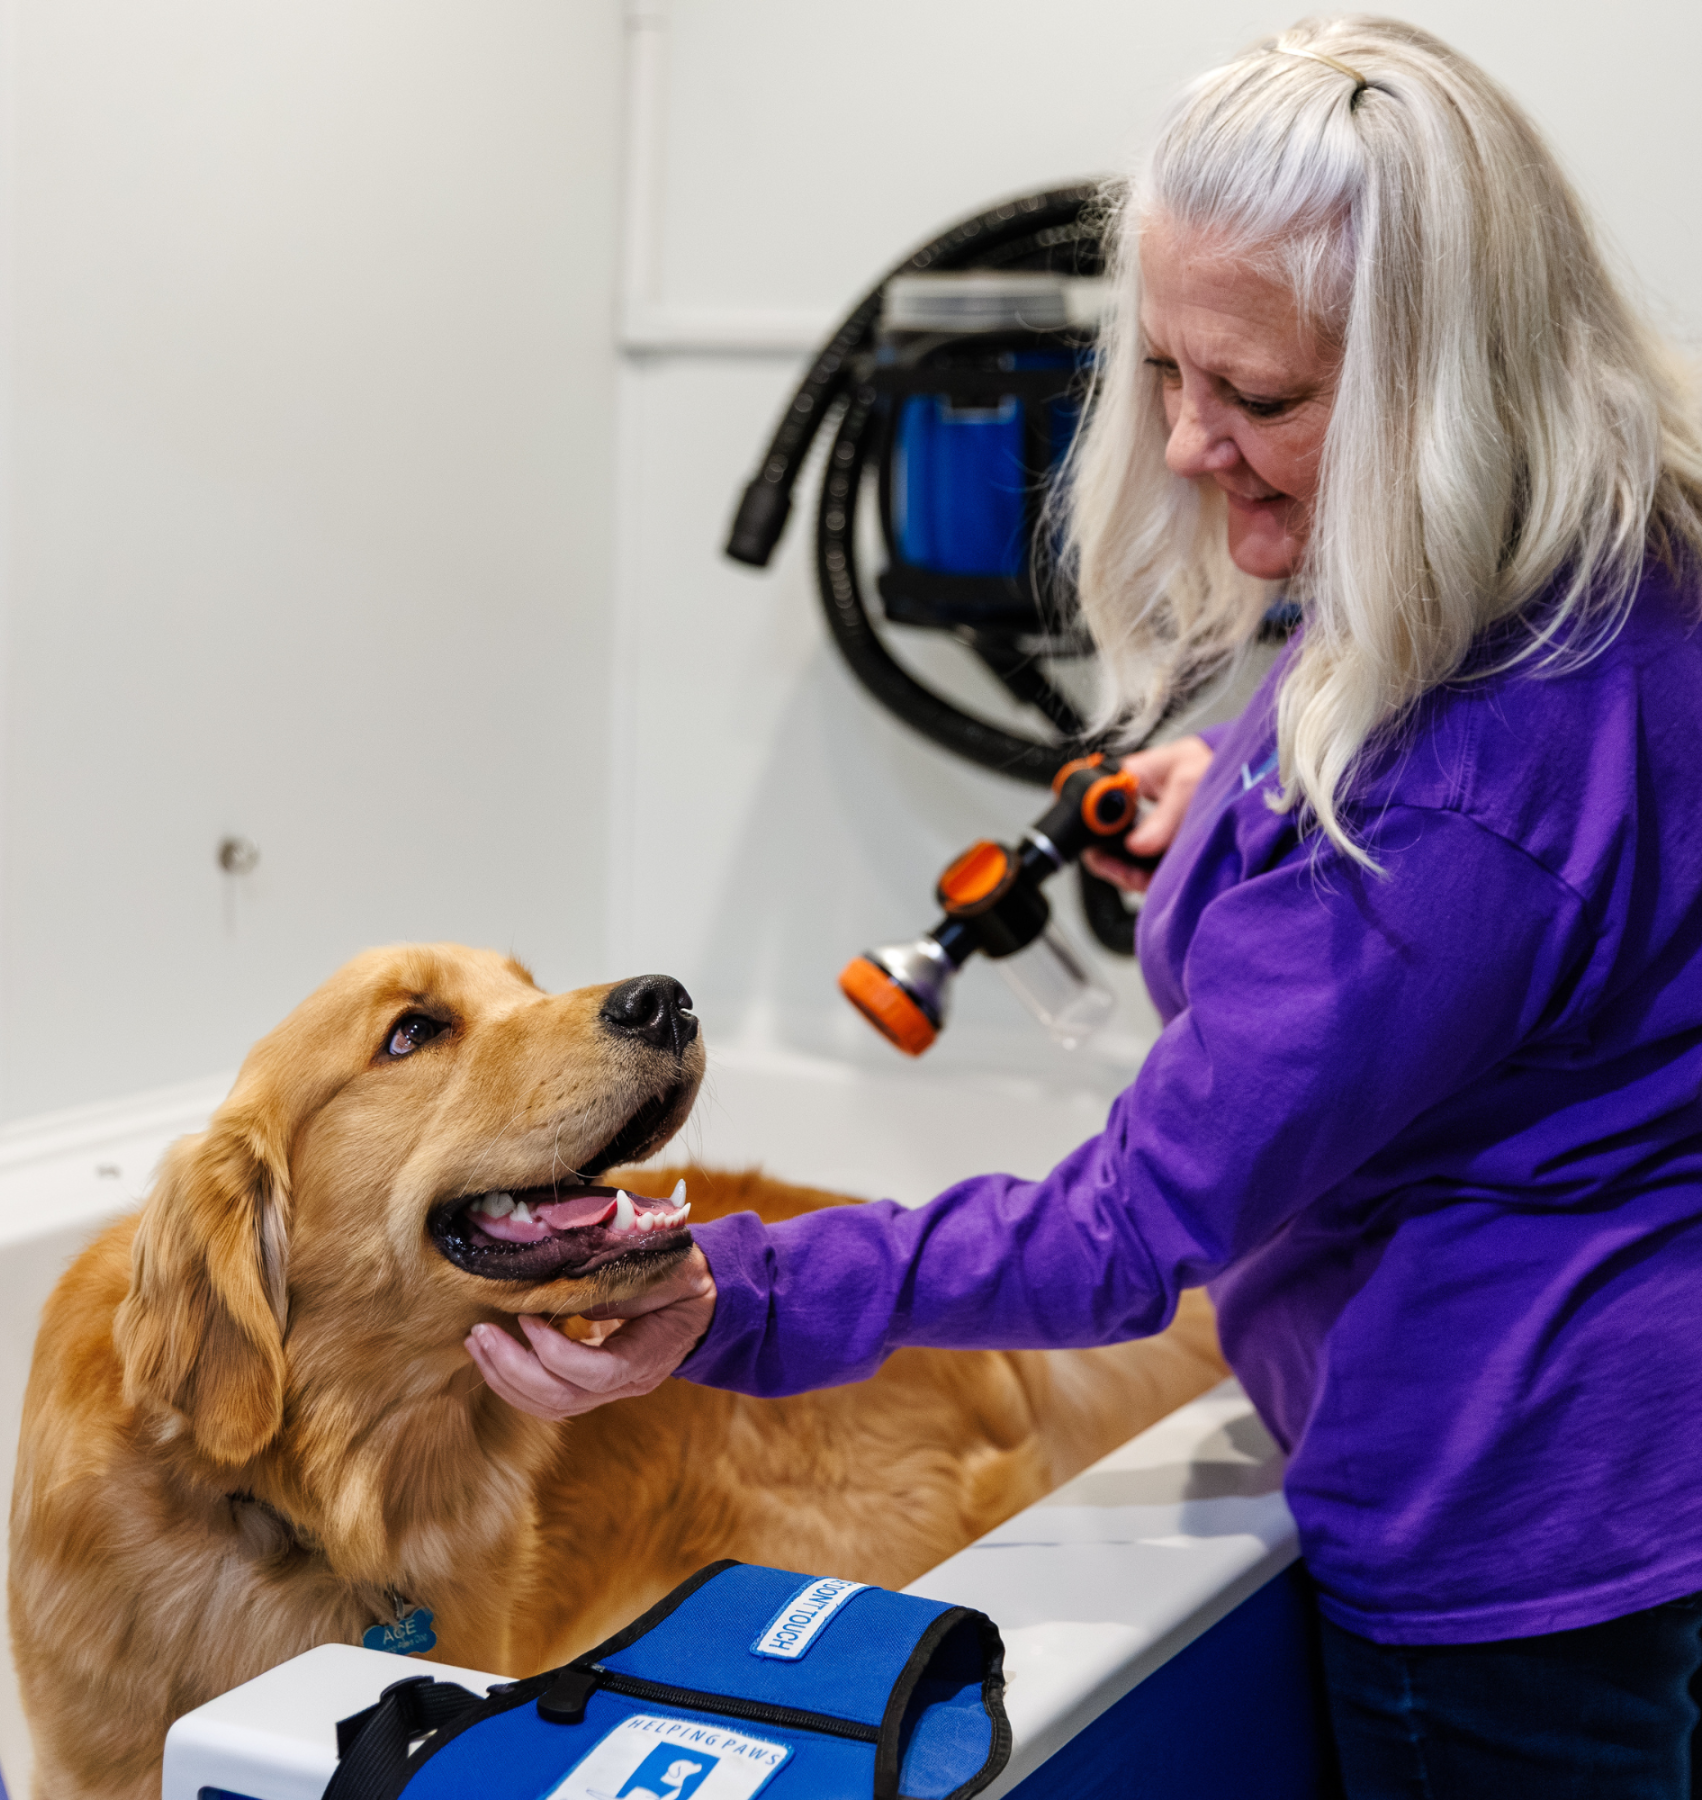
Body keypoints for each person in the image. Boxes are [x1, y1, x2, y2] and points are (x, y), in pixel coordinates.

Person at [467, 19, 1702, 1795]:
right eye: (1165, 372)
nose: (1191, 442)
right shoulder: (1595, 564)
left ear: (1457, 388)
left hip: (1497, 1512)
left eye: (1261, 397)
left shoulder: (1456, 784)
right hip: (1629, 1431)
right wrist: (1233, 821)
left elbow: (1127, 1233)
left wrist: (722, 1293)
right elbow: (1514, 917)